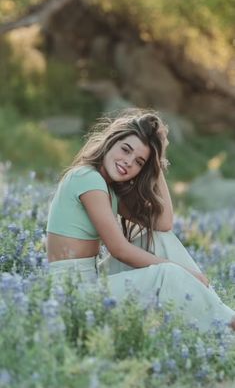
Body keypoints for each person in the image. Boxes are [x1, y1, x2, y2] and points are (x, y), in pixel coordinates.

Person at [46, 109, 235, 332]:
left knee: (158, 238)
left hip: (92, 280)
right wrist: (184, 274)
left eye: (138, 162)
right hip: (71, 293)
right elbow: (119, 250)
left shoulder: (109, 189)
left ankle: (224, 318)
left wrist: (157, 161)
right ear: (110, 142)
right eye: (125, 150)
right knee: (169, 274)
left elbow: (163, 224)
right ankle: (225, 324)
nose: (127, 162)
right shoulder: (86, 178)